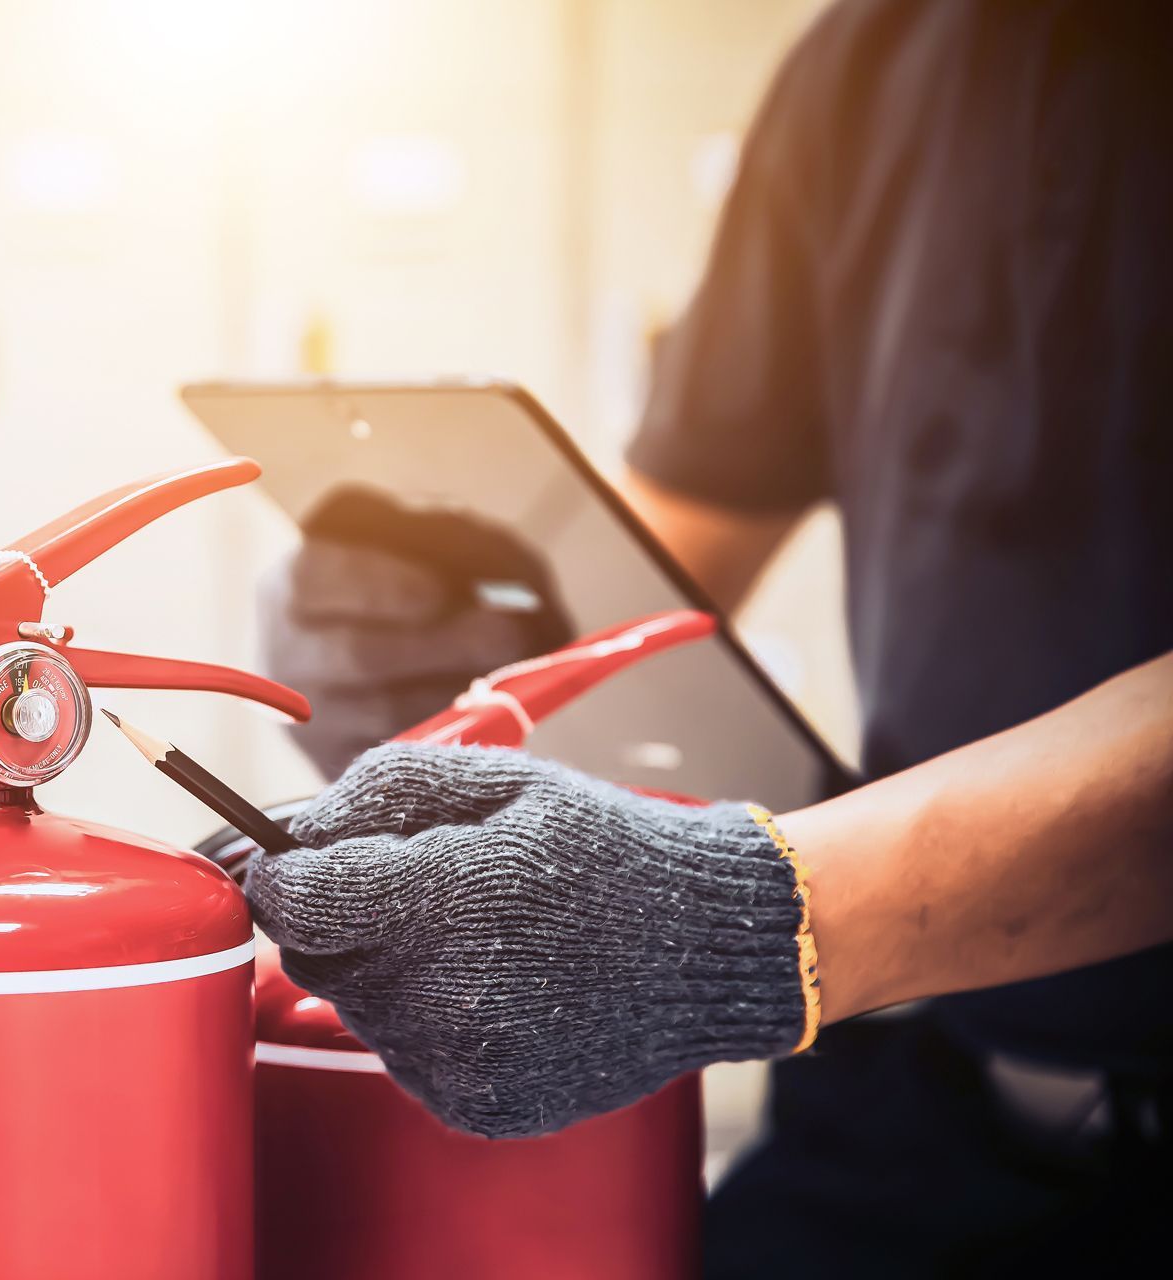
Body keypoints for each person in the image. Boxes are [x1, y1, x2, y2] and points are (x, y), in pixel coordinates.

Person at [248, 1, 1173, 1273]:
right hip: (923, 1103)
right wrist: (451, 646)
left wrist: (749, 914)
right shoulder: (866, 62)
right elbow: (677, 555)